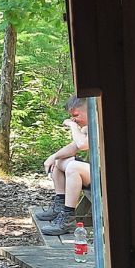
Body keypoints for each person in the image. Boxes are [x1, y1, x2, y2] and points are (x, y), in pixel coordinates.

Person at [36, 96, 91, 236]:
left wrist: (73, 127)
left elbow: (82, 145)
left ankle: (68, 218)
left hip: (109, 176)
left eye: (76, 115)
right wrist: (53, 157)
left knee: (73, 167)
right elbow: (73, 148)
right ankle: (59, 206)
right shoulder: (87, 128)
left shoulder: (99, 124)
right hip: (95, 172)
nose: (73, 119)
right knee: (59, 162)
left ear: (89, 110)